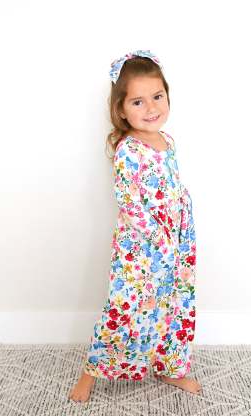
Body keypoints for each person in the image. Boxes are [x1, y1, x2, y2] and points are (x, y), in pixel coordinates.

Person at [69, 50, 200, 403]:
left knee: (171, 304)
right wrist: (158, 237)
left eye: (157, 96)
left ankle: (169, 367)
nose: (151, 108)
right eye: (138, 101)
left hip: (174, 238)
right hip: (142, 248)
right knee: (124, 306)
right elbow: (129, 202)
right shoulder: (129, 149)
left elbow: (169, 186)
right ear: (122, 109)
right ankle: (90, 373)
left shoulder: (168, 141)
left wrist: (180, 221)